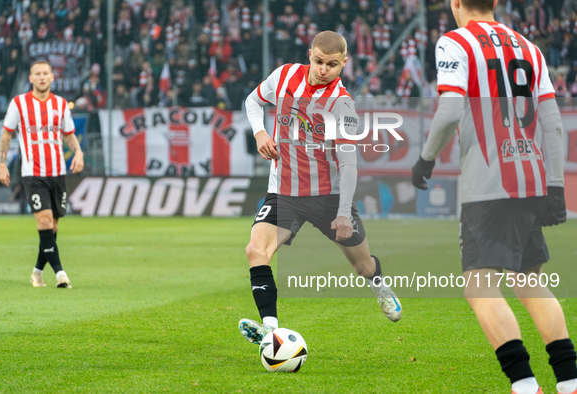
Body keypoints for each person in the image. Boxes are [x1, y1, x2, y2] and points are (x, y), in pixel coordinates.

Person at [411, 1, 576, 394]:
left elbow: (450, 112)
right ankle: (570, 382)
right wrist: (554, 184)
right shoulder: (528, 46)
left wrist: (426, 158)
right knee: (529, 280)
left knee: (479, 286)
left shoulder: (455, 42)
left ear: (455, 3)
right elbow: (554, 124)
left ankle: (524, 384)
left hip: (488, 183)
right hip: (531, 176)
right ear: (497, 2)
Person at [239, 31, 402, 345]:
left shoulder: (342, 106)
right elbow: (254, 101)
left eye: (332, 64)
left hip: (329, 196)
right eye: (318, 61)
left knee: (362, 265)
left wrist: (343, 213)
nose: (323, 69)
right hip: (284, 191)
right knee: (256, 250)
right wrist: (260, 133)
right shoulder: (284, 75)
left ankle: (379, 285)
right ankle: (271, 331)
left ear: (344, 64)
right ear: (309, 54)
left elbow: (349, 163)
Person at [0, 60, 84, 289]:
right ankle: (60, 274)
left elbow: (69, 134)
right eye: (38, 73)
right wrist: (2, 164)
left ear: (52, 77)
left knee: (52, 227)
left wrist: (79, 153)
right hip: (33, 174)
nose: (42, 77)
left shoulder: (61, 104)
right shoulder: (19, 104)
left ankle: (37, 272)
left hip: (58, 172)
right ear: (31, 78)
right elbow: (6, 135)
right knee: (44, 220)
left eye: (46, 73)